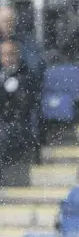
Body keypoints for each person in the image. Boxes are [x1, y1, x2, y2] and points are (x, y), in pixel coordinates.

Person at [0, 40, 36, 185]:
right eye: (4, 55)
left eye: (11, 54)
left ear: (18, 56)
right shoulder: (2, 76)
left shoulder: (25, 76)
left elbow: (21, 106)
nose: (7, 58)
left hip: (18, 126)